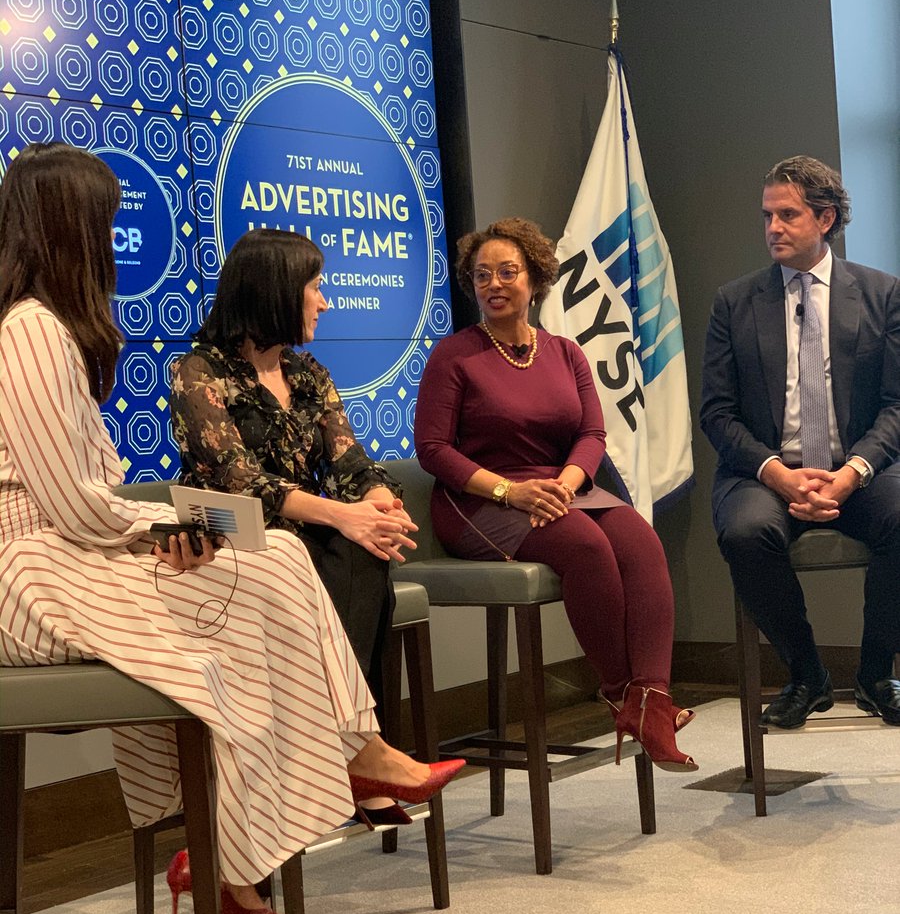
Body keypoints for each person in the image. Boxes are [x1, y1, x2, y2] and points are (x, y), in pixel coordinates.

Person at [0, 143, 463, 914]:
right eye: (105, 221)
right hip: (33, 572)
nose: (113, 240)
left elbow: (94, 506)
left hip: (74, 551)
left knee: (274, 549)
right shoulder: (34, 330)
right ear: (68, 226)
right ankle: (327, 777)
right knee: (274, 551)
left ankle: (300, 799)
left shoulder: (52, 332)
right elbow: (74, 509)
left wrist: (189, 526)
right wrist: (168, 527)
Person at [414, 216, 697, 771]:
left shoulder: (565, 352)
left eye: (507, 272)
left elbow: (591, 433)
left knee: (641, 542)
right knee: (586, 547)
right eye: (481, 275)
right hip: (478, 500)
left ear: (535, 278)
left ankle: (652, 699)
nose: (494, 284)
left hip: (561, 488)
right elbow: (433, 450)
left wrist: (567, 483)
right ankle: (621, 693)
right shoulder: (454, 355)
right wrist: (510, 491)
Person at [169, 230, 421, 826]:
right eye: (315, 287)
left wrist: (380, 504)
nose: (325, 302)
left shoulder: (307, 374)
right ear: (277, 291)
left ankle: (342, 753)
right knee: (343, 549)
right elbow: (241, 483)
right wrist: (343, 515)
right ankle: (353, 754)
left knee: (365, 550)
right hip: (232, 543)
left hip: (303, 537)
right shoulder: (199, 372)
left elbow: (350, 461)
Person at [700, 155, 900, 728]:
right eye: (767, 216)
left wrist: (853, 471)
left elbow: (896, 405)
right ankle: (807, 674)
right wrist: (777, 474)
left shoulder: (883, 294)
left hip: (858, 469)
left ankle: (875, 674)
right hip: (766, 472)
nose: (773, 228)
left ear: (826, 218)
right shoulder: (734, 302)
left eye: (787, 215)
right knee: (745, 532)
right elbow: (716, 412)